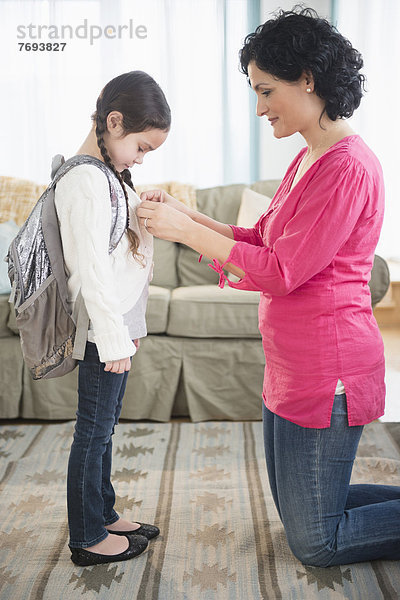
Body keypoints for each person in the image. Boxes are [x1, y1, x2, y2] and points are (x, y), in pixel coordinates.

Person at [137, 9, 400, 566]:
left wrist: (184, 231)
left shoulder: (347, 167)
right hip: (290, 362)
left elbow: (283, 269)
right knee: (301, 511)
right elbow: (260, 236)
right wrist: (187, 216)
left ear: (308, 78)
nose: (258, 107)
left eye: (265, 90)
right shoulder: (310, 156)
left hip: (327, 368)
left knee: (315, 541)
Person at [55, 71, 171, 566]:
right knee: (93, 431)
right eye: (141, 147)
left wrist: (148, 205)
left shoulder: (108, 176)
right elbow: (90, 273)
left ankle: (102, 512)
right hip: (104, 329)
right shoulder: (83, 180)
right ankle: (86, 537)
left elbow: (124, 253)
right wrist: (114, 337)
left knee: (105, 427)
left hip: (118, 326)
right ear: (115, 121)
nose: (140, 159)